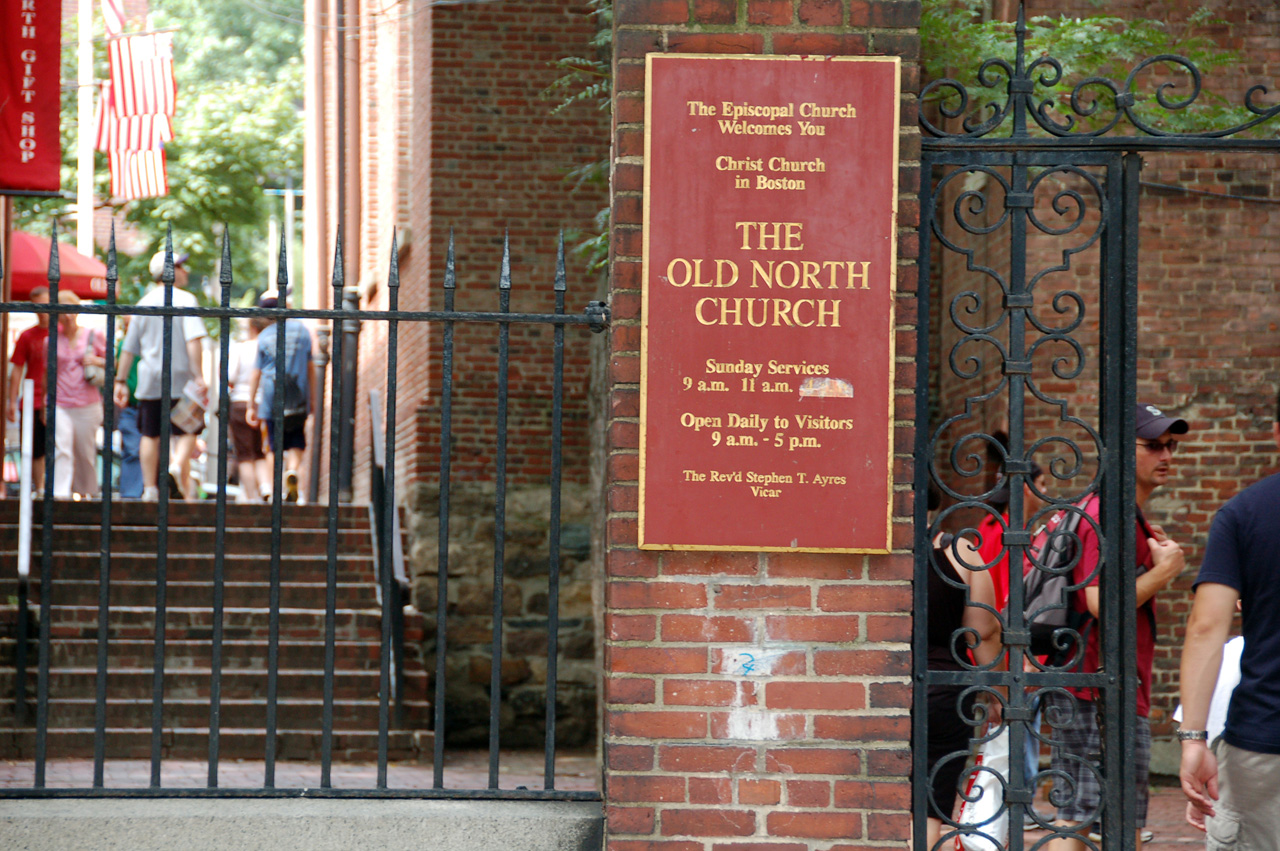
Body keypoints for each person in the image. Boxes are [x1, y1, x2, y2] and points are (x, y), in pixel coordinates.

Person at [1043, 403, 1188, 850]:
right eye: (1153, 446)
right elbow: (1097, 601)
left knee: (1111, 822)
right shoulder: (1110, 513)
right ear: (1124, 452)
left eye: (1171, 446)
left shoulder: (1119, 512)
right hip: (1095, 688)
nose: (1166, 455)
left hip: (1103, 686)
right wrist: (1165, 572)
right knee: (1079, 820)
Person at [1178, 392, 1280, 848]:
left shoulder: (1244, 513)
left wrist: (1194, 738)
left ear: (1276, 435)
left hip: (1266, 738)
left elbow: (1207, 628)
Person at [925, 483, 1003, 848]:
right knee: (927, 809)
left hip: (877, 689)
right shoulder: (960, 552)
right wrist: (999, 694)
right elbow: (982, 633)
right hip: (940, 691)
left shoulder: (871, 551)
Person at [113, 250, 208, 501]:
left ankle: (150, 489)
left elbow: (129, 348)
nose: (185, 271)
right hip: (182, 378)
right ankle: (175, 466)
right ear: (171, 271)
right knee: (189, 429)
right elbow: (194, 340)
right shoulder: (186, 299)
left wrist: (120, 380)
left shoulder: (144, 303)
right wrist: (198, 375)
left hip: (151, 379)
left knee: (150, 434)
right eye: (182, 267)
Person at [246, 289, 314, 504]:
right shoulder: (303, 332)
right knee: (296, 441)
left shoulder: (265, 336)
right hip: (298, 396)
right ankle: (292, 471)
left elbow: (256, 373)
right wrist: (312, 399)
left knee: (273, 446)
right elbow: (311, 368)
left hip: (271, 398)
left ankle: (276, 489)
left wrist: (250, 405)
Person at [51, 292, 107, 499]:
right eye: (63, 311)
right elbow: (48, 372)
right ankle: (61, 494)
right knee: (62, 447)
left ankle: (87, 493)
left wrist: (97, 361)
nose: (67, 316)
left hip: (87, 403)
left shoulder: (93, 335)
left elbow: (113, 363)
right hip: (60, 401)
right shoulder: (52, 339)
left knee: (85, 452)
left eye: (71, 310)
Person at [5, 287, 50, 494]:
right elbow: (16, 371)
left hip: (60, 399)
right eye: (37, 305)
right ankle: (40, 489)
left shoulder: (62, 333)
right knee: (34, 449)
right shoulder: (27, 336)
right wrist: (12, 402)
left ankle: (55, 488)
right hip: (33, 399)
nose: (41, 310)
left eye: (44, 304)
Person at [226, 318, 267, 502]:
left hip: (240, 402)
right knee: (260, 451)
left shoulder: (241, 348)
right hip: (264, 403)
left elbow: (231, 375)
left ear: (252, 327)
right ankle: (267, 488)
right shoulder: (271, 346)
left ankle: (252, 497)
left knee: (245, 454)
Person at [113, 315, 143, 499]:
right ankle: (132, 495)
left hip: (148, 403)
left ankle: (140, 492)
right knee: (133, 450)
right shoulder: (124, 345)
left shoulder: (150, 343)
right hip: (132, 405)